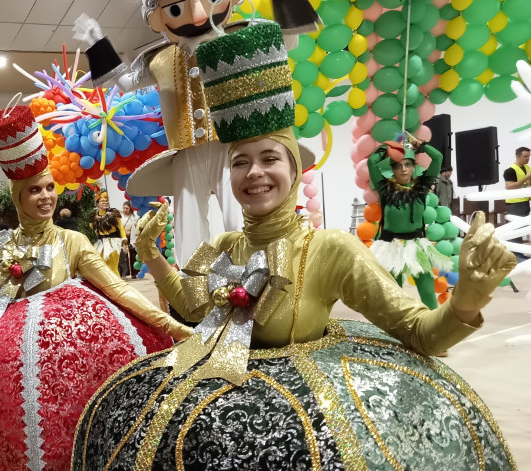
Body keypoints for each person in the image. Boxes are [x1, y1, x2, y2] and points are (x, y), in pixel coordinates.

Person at [73, 23, 517, 469]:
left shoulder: (329, 250)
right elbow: (191, 307)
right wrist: (151, 255)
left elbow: (422, 333)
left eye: (270, 158)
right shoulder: (226, 244)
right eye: (240, 162)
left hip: (304, 441)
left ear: (292, 164)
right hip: (217, 435)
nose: (254, 174)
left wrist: (466, 302)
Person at [0, 104, 191, 470]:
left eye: (49, 188)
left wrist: (171, 326)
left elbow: (118, 290)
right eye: (34, 190)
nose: (46, 197)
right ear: (18, 197)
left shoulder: (72, 241)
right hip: (11, 374)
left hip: (68, 370)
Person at [74, 0, 318, 267]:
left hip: (234, 145)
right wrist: (98, 43)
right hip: (185, 152)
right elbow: (125, 83)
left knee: (242, 212)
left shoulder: (239, 34)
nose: (198, 15)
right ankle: (193, 285)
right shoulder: (159, 57)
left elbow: (288, 41)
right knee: (188, 222)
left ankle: (254, 271)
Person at [366, 137, 453, 310]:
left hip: (417, 246)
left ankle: (431, 327)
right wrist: (390, 147)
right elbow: (372, 162)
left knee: (427, 291)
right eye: (398, 166)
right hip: (391, 247)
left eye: (407, 164)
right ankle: (395, 328)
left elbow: (437, 158)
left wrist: (420, 144)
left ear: (414, 168)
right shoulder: (385, 188)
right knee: (393, 293)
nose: (403, 169)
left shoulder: (421, 188)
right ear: (392, 170)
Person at [91, 192, 127, 276]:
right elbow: (93, 228)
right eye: (103, 201)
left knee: (113, 266)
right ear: (97, 204)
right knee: (102, 266)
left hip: (113, 242)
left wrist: (124, 239)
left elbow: (121, 227)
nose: (105, 202)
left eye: (107, 201)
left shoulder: (113, 214)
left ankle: (117, 285)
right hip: (100, 243)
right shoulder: (93, 217)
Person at [503, 146, 531, 217]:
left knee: (525, 226)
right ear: (517, 156)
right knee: (517, 226)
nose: (528, 158)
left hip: (525, 201)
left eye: (529, 156)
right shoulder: (510, 171)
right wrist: (526, 178)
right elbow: (509, 187)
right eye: (525, 156)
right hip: (515, 204)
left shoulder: (527, 167)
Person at [119, 200, 139, 278]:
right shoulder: (120, 216)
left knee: (133, 255)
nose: (125, 210)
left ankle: (134, 273)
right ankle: (125, 273)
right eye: (124, 208)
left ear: (130, 209)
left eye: (127, 208)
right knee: (124, 256)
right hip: (123, 238)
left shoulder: (134, 217)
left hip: (131, 238)